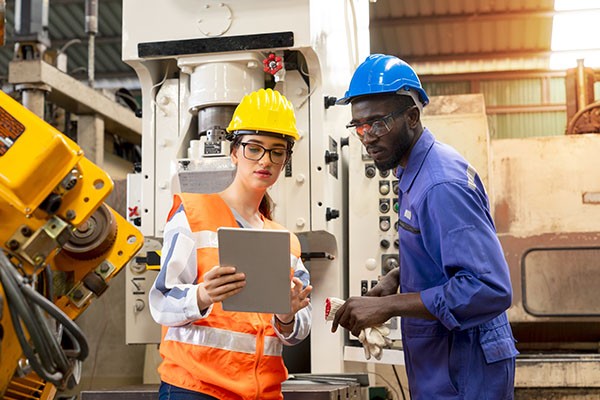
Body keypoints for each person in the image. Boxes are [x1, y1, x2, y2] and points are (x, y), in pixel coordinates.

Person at [331, 54, 519, 399]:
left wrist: (390, 306)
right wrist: (396, 278)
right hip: (444, 362)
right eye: (359, 126)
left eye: (378, 123)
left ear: (412, 117)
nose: (367, 136)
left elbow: (489, 288)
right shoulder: (414, 173)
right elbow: (441, 251)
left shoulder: (440, 185)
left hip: (465, 366)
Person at [149, 88, 312, 400]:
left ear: (285, 162)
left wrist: (288, 315)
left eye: (277, 152)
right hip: (195, 389)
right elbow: (160, 302)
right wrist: (201, 294)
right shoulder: (193, 215)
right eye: (254, 148)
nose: (265, 160)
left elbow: (297, 329)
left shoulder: (287, 243)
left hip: (261, 393)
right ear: (235, 152)